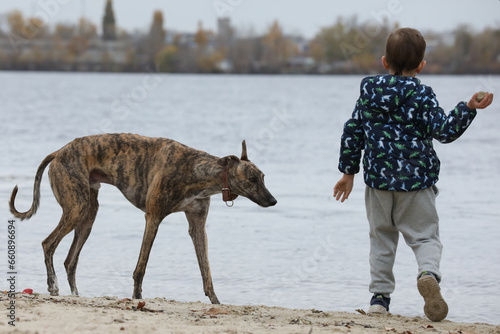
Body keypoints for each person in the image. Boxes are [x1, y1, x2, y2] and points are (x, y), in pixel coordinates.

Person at [333, 27, 494, 321]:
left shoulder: (369, 92)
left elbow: (352, 131)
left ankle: (379, 301)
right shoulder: (422, 94)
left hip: (378, 183)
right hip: (416, 183)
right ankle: (427, 273)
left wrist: (348, 172)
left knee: (381, 240)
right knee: (425, 238)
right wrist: (469, 107)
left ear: (384, 62)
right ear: (421, 66)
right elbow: (444, 132)